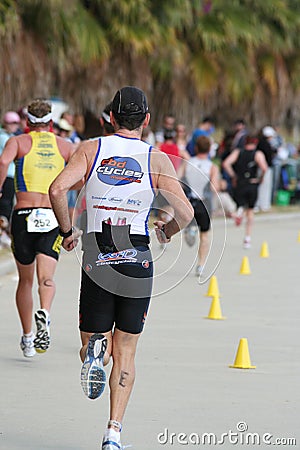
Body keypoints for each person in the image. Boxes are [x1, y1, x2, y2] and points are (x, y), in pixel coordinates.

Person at [49, 86, 193, 450]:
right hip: (136, 253)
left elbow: (56, 190)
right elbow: (187, 212)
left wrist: (67, 232)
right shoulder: (156, 159)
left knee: (90, 342)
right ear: (146, 120)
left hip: (99, 250)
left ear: (110, 117)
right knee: (127, 349)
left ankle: (96, 352)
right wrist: (168, 231)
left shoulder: (90, 149)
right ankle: (113, 433)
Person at [0, 99, 74, 357]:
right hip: (51, 216)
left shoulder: (18, 142)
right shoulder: (64, 145)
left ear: (27, 123)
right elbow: (80, 173)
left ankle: (28, 337)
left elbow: (2, 163)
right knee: (47, 278)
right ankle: (46, 312)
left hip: (24, 213)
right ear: (51, 123)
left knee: (25, 280)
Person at [183, 135, 220, 276]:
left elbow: (179, 179)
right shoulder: (212, 167)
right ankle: (201, 264)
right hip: (204, 202)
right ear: (210, 149)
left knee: (189, 222)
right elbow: (214, 187)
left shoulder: (188, 162)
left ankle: (190, 229)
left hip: (189, 200)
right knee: (205, 235)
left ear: (196, 148)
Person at [222, 135, 268, 248]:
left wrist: (233, 176)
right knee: (251, 210)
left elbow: (226, 163)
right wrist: (261, 178)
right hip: (252, 183)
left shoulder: (238, 152)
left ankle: (240, 211)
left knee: (241, 203)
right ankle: (247, 238)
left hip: (240, 183)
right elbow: (264, 168)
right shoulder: (258, 154)